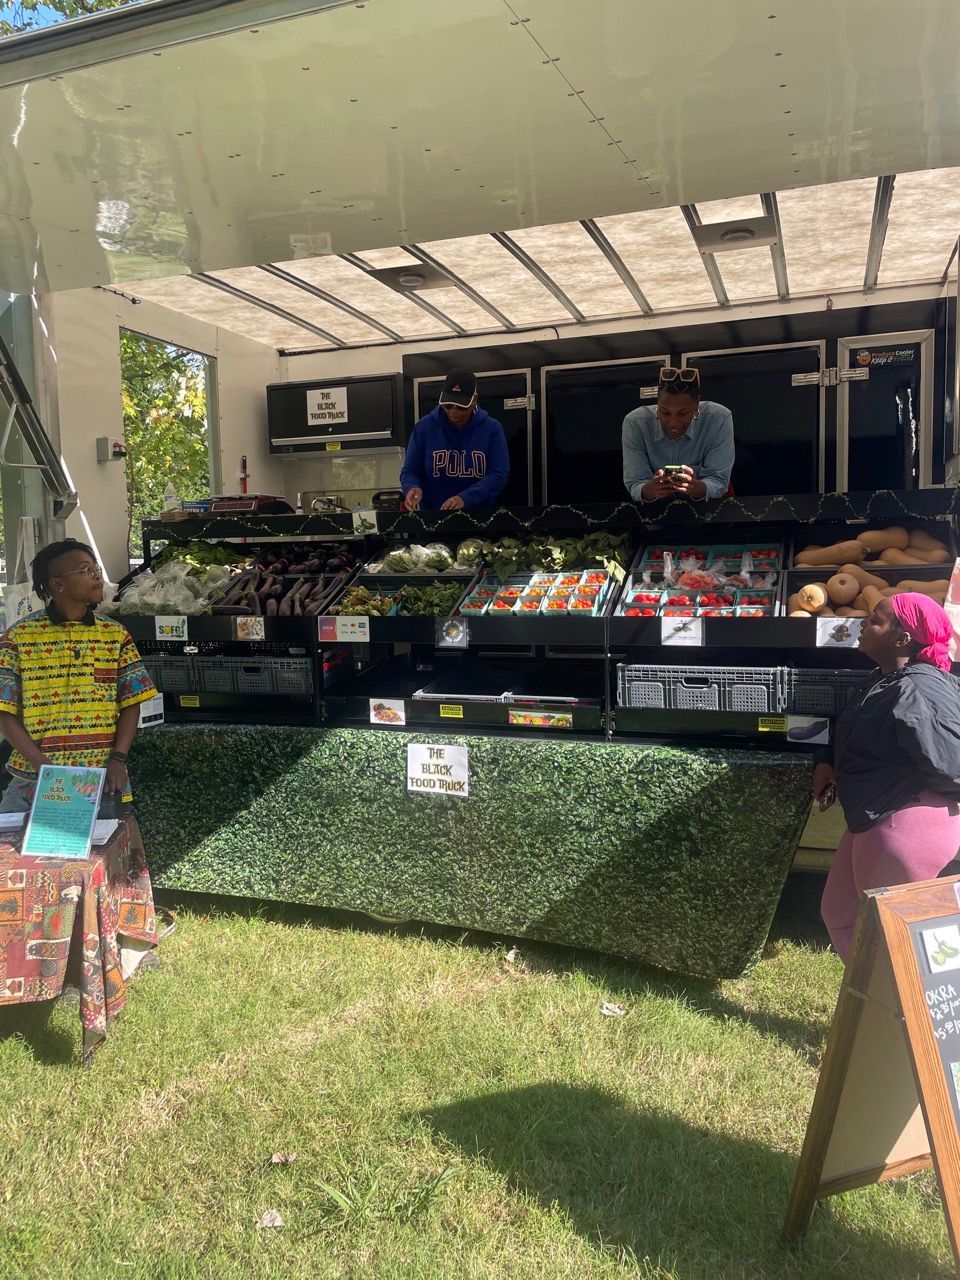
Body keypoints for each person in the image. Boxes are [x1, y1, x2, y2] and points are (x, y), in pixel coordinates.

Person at [819, 594, 960, 960]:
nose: (863, 624)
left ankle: (907, 1012)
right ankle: (870, 1008)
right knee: (840, 915)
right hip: (874, 816)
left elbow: (952, 763)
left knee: (890, 942)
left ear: (902, 639)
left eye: (875, 620)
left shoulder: (919, 687)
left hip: (904, 824)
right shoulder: (885, 679)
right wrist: (828, 763)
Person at [0, 539, 157, 814]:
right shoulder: (18, 638)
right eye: (85, 570)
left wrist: (118, 759)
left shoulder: (115, 635)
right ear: (57, 584)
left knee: (109, 854)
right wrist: (43, 766)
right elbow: (4, 712)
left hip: (102, 781)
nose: (96, 574)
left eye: (95, 567)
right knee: (18, 857)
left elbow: (131, 702)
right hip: (32, 781)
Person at [401, 369, 510, 511]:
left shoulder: (492, 429)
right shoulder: (424, 428)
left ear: (474, 400)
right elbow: (409, 471)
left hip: (479, 519)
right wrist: (411, 487)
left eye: (461, 407)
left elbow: (499, 474)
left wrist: (465, 498)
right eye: (448, 405)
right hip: (433, 521)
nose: (453, 412)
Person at [622, 366, 734, 503]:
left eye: (682, 413)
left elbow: (718, 481)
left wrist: (695, 487)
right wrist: (651, 489)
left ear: (696, 404)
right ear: (657, 401)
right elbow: (635, 483)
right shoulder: (635, 423)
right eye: (665, 412)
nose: (673, 422)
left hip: (708, 514)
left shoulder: (719, 419)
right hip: (654, 514)